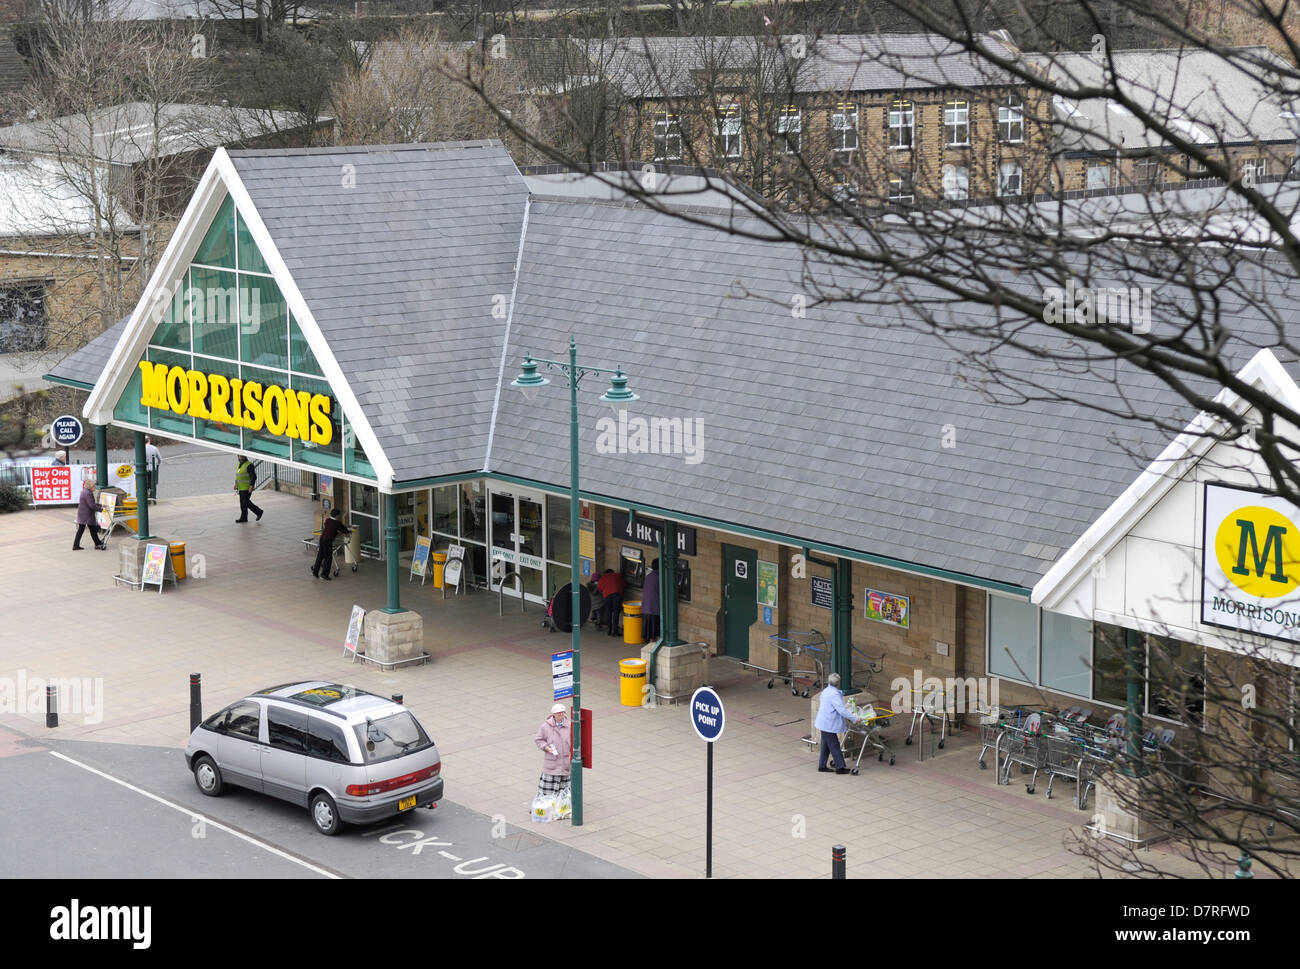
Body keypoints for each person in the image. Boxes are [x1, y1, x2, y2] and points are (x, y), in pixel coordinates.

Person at [814, 673, 861, 774]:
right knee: (834, 745)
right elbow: (842, 711)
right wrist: (855, 718)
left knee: (826, 745)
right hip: (828, 724)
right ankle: (840, 767)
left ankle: (822, 765)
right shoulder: (834, 694)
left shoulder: (826, 691)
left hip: (823, 722)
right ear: (838, 683)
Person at [533, 702, 573, 812]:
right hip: (552, 763)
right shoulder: (545, 727)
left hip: (565, 763)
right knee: (547, 790)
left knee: (564, 789)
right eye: (558, 713)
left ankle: (562, 808)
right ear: (553, 714)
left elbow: (575, 740)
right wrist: (546, 747)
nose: (561, 715)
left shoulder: (570, 725)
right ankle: (544, 807)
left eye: (562, 713)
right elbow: (538, 739)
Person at [312, 508, 350, 580]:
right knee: (328, 558)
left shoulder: (327, 520)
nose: (340, 517)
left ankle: (315, 572)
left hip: (322, 539)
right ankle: (324, 575)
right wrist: (348, 531)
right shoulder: (337, 523)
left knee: (320, 556)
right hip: (328, 541)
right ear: (336, 516)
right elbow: (344, 530)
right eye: (339, 515)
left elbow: (330, 528)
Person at [73, 479, 107, 551]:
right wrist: (101, 509)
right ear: (90, 486)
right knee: (93, 529)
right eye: (94, 486)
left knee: (84, 529)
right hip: (87, 515)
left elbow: (91, 503)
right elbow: (92, 505)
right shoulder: (88, 493)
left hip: (83, 514)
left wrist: (101, 505)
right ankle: (97, 544)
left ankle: (76, 545)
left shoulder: (85, 491)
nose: (95, 487)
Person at [595, 568, 626, 637]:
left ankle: (609, 629)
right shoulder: (617, 575)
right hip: (617, 595)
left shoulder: (603, 577)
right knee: (616, 612)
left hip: (607, 596)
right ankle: (615, 631)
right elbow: (624, 584)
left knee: (608, 612)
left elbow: (599, 588)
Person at [233, 454, 263, 523]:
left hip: (247, 488)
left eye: (241, 456)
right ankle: (244, 517)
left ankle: (258, 512)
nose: (240, 457)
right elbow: (238, 476)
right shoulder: (239, 464)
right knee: (244, 503)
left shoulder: (249, 465)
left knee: (245, 502)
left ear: (245, 456)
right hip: (241, 488)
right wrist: (236, 484)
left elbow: (253, 477)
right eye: (239, 456)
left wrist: (251, 486)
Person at [642, 558, 661, 641]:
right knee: (655, 629)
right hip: (655, 607)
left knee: (649, 629)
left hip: (646, 607)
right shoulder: (660, 577)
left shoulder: (649, 576)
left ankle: (651, 642)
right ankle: (654, 643)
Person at [144, 437, 161, 502]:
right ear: (149, 440)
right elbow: (159, 458)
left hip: (145, 469)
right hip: (153, 468)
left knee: (146, 483)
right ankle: (153, 498)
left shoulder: (141, 449)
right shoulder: (154, 448)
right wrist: (158, 464)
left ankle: (147, 499)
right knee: (153, 483)